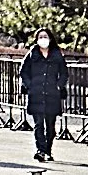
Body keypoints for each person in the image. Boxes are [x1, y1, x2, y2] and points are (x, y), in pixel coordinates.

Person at [22, 27, 67, 162]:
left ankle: (48, 149)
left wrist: (59, 84)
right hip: (36, 93)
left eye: (45, 36)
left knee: (50, 126)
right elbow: (23, 71)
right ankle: (40, 150)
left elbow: (64, 72)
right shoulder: (32, 54)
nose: (43, 39)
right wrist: (29, 85)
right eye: (40, 37)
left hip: (52, 93)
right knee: (38, 124)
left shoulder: (56, 54)